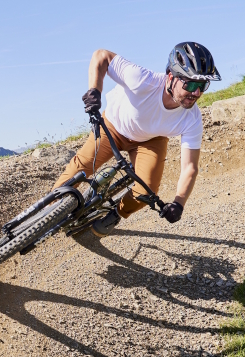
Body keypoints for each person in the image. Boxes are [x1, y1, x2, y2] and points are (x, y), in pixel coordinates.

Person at [52, 42, 220, 236]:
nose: (196, 93)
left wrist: (179, 203)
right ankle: (50, 208)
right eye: (190, 84)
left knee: (146, 192)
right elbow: (101, 56)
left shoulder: (192, 118)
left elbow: (190, 167)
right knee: (83, 164)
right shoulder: (142, 80)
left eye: (202, 85)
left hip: (151, 140)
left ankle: (117, 212)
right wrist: (94, 91)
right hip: (114, 127)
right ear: (171, 77)